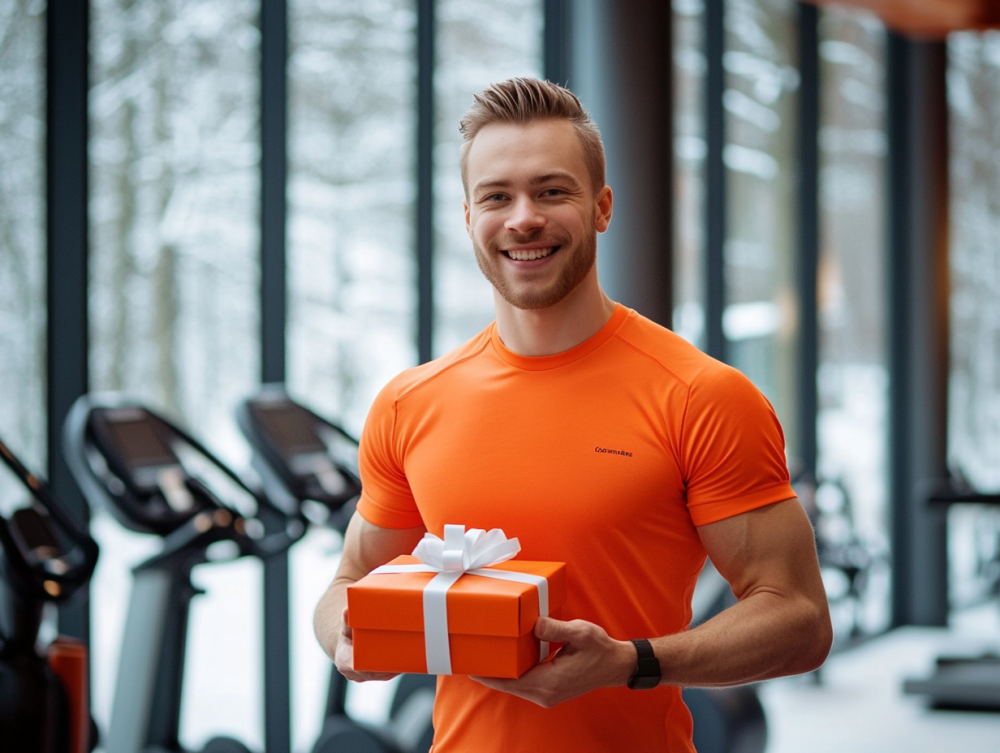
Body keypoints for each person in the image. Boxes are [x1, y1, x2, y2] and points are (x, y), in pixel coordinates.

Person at [314, 77, 832, 752]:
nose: (523, 217)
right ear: (468, 216)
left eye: (551, 191)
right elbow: (349, 579)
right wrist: (344, 638)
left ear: (602, 207)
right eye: (497, 196)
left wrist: (633, 660)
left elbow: (799, 618)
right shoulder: (411, 403)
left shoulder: (702, 396)